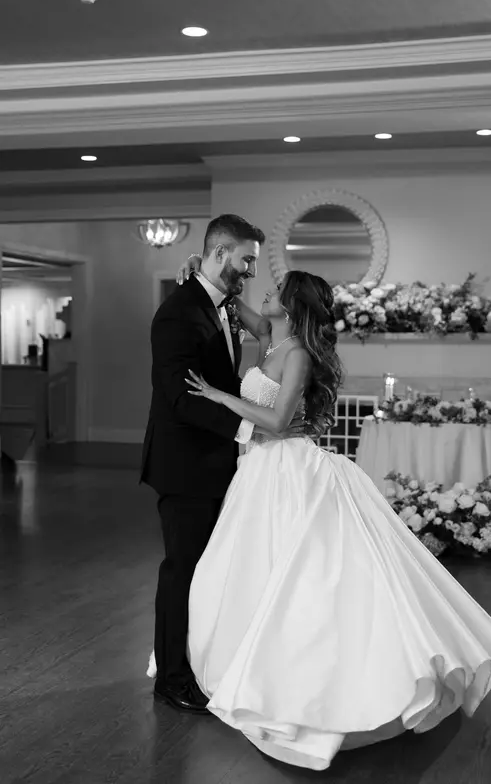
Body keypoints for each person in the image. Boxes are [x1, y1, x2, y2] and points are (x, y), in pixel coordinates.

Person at [146, 257, 491, 771]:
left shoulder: (297, 353)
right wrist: (201, 275)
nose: (266, 291)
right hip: (256, 472)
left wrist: (219, 397)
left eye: (277, 289)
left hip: (285, 468)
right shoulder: (270, 336)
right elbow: (233, 303)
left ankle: (301, 677)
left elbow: (279, 421)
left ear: (292, 305)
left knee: (297, 572)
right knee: (244, 568)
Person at [140, 215, 310, 715]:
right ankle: (172, 679)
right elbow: (180, 398)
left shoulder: (221, 305)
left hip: (221, 464)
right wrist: (251, 431)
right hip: (185, 465)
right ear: (219, 254)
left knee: (213, 572)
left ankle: (206, 664)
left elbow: (228, 378)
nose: (252, 271)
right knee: (182, 570)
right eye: (247, 260)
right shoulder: (177, 314)